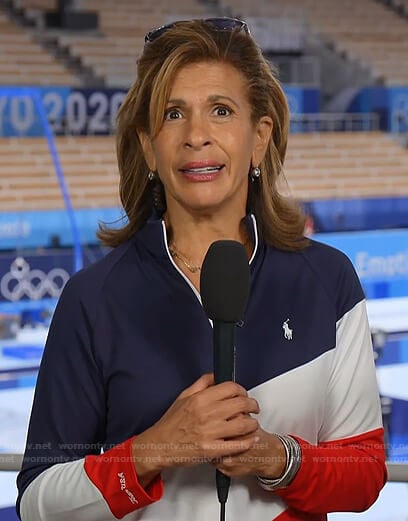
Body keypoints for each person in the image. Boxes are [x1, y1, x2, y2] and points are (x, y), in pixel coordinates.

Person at [16, 17, 387, 521]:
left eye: (220, 110)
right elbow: (38, 503)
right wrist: (154, 449)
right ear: (149, 146)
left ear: (259, 138)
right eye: (173, 114)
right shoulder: (93, 298)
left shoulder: (328, 278)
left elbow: (364, 473)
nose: (196, 136)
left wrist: (274, 457)